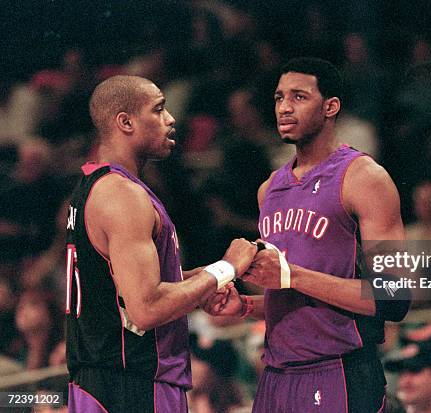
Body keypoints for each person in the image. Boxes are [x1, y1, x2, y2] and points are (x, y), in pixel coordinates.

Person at [210, 57, 410, 412]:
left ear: (331, 106)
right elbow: (299, 301)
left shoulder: (364, 178)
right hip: (275, 373)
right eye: (278, 98)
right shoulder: (269, 189)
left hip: (338, 370)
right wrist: (246, 306)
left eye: (299, 97)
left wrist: (291, 275)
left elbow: (394, 296)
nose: (285, 108)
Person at [65, 75, 257, 413]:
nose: (170, 119)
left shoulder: (94, 185)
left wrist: (200, 283)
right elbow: (146, 307)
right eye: (159, 109)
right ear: (125, 121)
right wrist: (226, 267)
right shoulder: (122, 195)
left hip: (102, 383)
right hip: (131, 386)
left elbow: (124, 288)